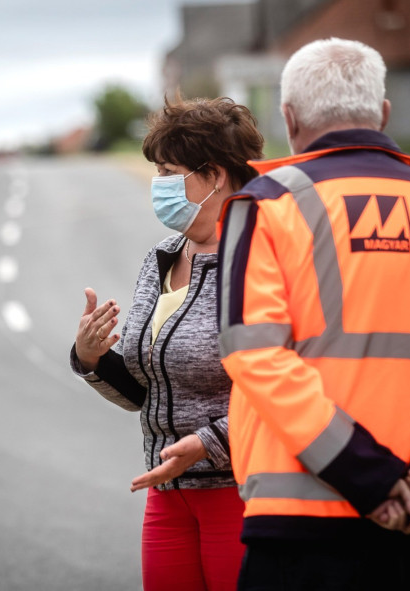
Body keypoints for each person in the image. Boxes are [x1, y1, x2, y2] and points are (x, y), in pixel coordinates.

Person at [216, 38, 410, 591]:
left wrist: (370, 476)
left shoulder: (267, 207)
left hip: (297, 524)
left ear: (289, 119)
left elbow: (255, 354)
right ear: (383, 114)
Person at [71, 96, 265, 591]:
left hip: (241, 493)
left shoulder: (260, 260)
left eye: (168, 170)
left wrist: (209, 443)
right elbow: (149, 392)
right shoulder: (162, 256)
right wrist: (91, 359)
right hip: (168, 495)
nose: (158, 185)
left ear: (215, 175)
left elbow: (285, 388)